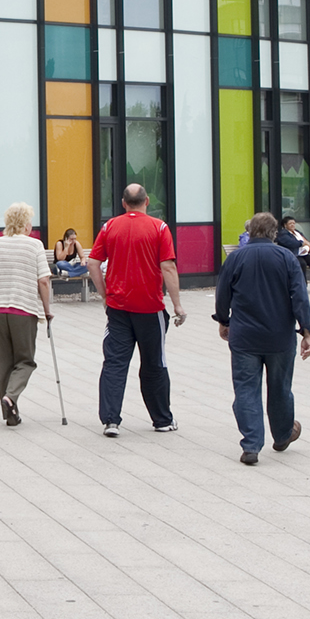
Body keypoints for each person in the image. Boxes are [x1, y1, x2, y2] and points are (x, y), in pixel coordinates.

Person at [213, 213, 310, 465]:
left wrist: (224, 321)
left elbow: (222, 293)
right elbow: (299, 297)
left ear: (251, 232)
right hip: (279, 336)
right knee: (280, 386)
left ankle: (251, 445)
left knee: (246, 388)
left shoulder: (236, 258)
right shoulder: (287, 259)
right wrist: (306, 331)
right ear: (273, 233)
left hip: (245, 336)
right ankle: (282, 434)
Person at [88, 184, 186, 436]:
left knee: (114, 364)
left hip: (118, 308)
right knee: (154, 363)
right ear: (147, 201)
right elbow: (168, 267)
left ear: (123, 203)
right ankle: (162, 419)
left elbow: (93, 262)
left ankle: (111, 421)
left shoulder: (109, 227)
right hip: (150, 308)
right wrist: (177, 305)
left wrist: (105, 294)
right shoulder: (159, 228)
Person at [0, 202, 53, 426]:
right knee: (25, 361)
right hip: (23, 308)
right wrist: (47, 311)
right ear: (25, 224)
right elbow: (43, 281)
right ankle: (10, 397)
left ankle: (10, 414)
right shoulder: (35, 245)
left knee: (4, 363)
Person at [279, 216, 310, 294]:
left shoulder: (297, 232)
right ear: (285, 225)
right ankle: (303, 287)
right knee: (302, 264)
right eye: (290, 223)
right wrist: (302, 243)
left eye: (294, 223)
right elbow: (291, 243)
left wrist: (306, 246)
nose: (292, 225)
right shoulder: (283, 234)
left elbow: (306, 241)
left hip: (303, 253)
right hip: (293, 255)